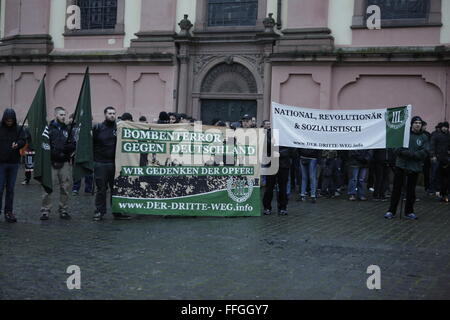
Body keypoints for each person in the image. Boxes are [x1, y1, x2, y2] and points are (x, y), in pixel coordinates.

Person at [384, 116, 429, 220]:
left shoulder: (424, 137)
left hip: (414, 167)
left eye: (419, 123)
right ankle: (391, 211)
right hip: (401, 165)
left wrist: (415, 155)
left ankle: (409, 211)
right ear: (411, 124)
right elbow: (396, 148)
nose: (418, 124)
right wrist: (406, 153)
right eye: (416, 123)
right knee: (397, 189)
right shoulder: (403, 135)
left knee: (411, 191)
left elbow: (425, 150)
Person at [93, 106, 130, 221]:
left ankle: (117, 212)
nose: (112, 115)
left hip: (115, 164)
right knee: (101, 189)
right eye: (110, 113)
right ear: (105, 114)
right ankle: (99, 211)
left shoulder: (119, 128)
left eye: (114, 113)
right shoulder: (98, 128)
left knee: (116, 189)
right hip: (100, 164)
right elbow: (91, 144)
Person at [40, 107, 76, 220]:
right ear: (56, 115)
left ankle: (63, 210)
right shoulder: (48, 129)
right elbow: (44, 145)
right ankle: (45, 211)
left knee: (65, 188)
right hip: (51, 163)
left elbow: (73, 144)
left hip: (64, 163)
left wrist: (68, 148)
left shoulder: (68, 129)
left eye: (64, 115)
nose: (64, 117)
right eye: (61, 115)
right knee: (47, 187)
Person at [0, 108, 26, 222]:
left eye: (11, 120)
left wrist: (18, 144)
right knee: (0, 189)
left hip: (13, 163)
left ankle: (8, 212)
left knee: (10, 189)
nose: (9, 122)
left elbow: (23, 140)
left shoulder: (19, 129)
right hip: (1, 163)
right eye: (7, 120)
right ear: (4, 119)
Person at [262, 124, 294, 215]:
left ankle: (283, 207)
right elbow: (266, 146)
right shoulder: (270, 133)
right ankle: (267, 207)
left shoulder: (288, 133)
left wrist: (280, 153)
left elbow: (292, 148)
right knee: (269, 187)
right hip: (272, 163)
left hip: (283, 164)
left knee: (283, 187)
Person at [430, 121, 450, 202]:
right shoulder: (436, 135)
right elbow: (432, 145)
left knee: (446, 177)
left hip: (446, 159)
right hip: (437, 158)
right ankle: (434, 190)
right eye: (444, 127)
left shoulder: (449, 135)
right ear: (441, 127)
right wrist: (433, 155)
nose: (445, 128)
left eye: (447, 127)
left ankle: (444, 193)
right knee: (435, 175)